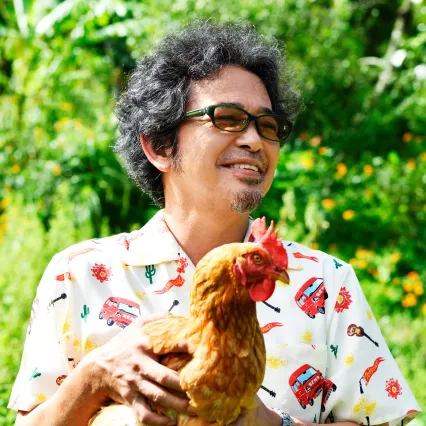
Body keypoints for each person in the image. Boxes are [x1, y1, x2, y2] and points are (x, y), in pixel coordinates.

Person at [10, 21, 420, 426]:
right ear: (160, 145)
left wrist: (267, 423)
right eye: (227, 118)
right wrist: (94, 378)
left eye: (268, 126)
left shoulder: (325, 284)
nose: (255, 140)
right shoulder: (81, 273)